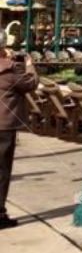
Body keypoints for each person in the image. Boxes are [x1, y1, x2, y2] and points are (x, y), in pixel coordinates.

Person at [0, 48, 38, 229]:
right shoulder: (8, 71)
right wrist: (29, 64)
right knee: (2, 171)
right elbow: (30, 83)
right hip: (4, 126)